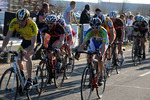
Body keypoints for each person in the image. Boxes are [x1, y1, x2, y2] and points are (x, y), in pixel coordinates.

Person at [0, 9, 41, 90]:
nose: (20, 23)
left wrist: (26, 50)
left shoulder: (33, 25)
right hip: (25, 40)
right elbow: (7, 37)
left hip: (35, 41)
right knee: (18, 58)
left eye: (22, 21)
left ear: (27, 19)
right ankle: (22, 78)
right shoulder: (14, 22)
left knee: (27, 56)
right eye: (19, 20)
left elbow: (33, 44)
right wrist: (2, 47)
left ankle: (29, 80)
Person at [75, 18, 109, 85]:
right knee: (89, 56)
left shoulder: (103, 31)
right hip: (94, 42)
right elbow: (83, 44)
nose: (95, 30)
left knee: (99, 58)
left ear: (100, 26)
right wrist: (78, 52)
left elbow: (104, 45)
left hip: (102, 43)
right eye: (93, 28)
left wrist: (101, 54)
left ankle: (101, 76)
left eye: (97, 28)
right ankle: (92, 72)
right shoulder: (89, 32)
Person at [40, 15, 65, 83]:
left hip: (58, 39)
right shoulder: (45, 28)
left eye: (51, 23)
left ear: (55, 23)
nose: (49, 25)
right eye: (48, 23)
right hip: (50, 38)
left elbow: (62, 40)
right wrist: (43, 46)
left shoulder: (60, 28)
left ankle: (59, 60)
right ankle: (50, 74)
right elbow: (42, 39)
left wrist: (57, 47)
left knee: (55, 46)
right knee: (49, 57)